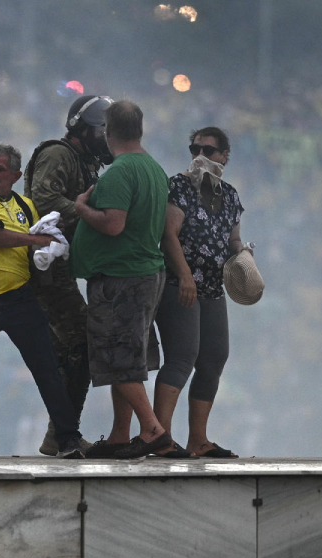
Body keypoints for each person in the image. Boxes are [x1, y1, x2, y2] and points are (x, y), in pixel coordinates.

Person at [0, 143, 86, 460]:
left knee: (47, 368)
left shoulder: (26, 206)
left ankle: (68, 437)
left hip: (19, 297)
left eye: (0, 170)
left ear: (16, 174)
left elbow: (40, 236)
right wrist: (37, 240)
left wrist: (51, 244)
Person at [70, 100, 190, 460]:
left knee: (117, 357)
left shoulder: (120, 172)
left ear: (108, 133)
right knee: (125, 357)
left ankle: (152, 430)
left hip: (121, 276)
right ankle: (120, 434)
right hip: (145, 272)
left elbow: (113, 223)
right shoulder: (153, 168)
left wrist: (81, 209)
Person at [24, 95, 113, 456]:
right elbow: (43, 200)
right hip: (46, 267)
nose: (107, 137)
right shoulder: (58, 155)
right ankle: (63, 434)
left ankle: (61, 433)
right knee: (80, 343)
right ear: (83, 128)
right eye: (102, 129)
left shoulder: (84, 161)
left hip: (61, 267)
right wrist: (87, 212)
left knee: (74, 350)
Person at [153, 127, 245, 458]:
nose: (200, 155)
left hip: (211, 286)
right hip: (181, 284)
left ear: (224, 156)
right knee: (182, 356)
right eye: (195, 149)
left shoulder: (231, 196)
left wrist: (243, 255)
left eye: (209, 150)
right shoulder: (180, 186)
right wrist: (185, 274)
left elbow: (232, 239)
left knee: (213, 357)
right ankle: (159, 436)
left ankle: (198, 440)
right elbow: (169, 234)